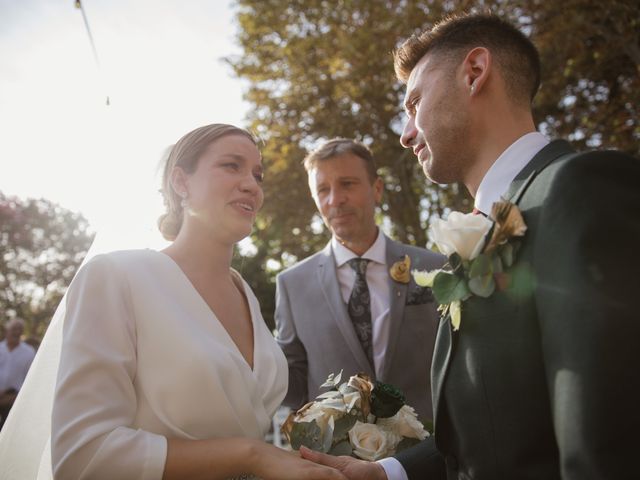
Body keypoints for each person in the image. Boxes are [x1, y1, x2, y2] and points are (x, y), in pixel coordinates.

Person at [301, 12, 640, 480]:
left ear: (474, 73)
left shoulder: (580, 190)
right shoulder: (480, 232)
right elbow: (487, 432)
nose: (406, 133)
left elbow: (609, 436)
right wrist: (386, 474)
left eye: (414, 101)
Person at [36, 124, 347, 480]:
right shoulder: (117, 276)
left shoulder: (245, 293)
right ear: (181, 183)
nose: (252, 185)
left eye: (257, 175)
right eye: (232, 166)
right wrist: (251, 456)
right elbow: (82, 456)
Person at [276, 138, 443, 419]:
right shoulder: (291, 284)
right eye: (323, 189)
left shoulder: (435, 267)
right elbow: (291, 388)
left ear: (376, 189)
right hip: (337, 460)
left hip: (430, 453)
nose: (335, 200)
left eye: (347, 184)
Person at [0, 318, 36, 430]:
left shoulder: (29, 352)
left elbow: (30, 378)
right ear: (7, 330)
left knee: (7, 430)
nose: (17, 332)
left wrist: (16, 397)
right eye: (14, 329)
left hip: (14, 398)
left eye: (20, 329)